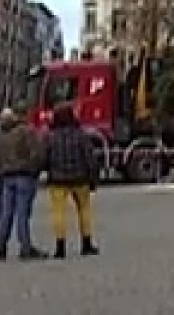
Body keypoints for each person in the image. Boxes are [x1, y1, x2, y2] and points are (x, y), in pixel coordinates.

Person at [0, 108, 47, 261]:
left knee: (6, 214)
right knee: (22, 214)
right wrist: (34, 170)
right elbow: (36, 153)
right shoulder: (25, 131)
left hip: (7, 177)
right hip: (24, 175)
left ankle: (1, 248)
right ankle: (25, 247)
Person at [43, 104, 100, 258]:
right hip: (80, 178)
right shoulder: (80, 135)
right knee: (84, 210)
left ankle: (60, 247)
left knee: (59, 213)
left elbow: (44, 157)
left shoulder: (51, 136)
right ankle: (86, 243)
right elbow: (90, 158)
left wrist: (46, 171)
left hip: (58, 179)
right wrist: (93, 178)